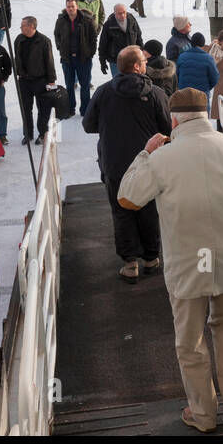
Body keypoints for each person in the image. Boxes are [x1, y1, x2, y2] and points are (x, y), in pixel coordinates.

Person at [117, 88, 223, 432]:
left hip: (189, 264)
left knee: (190, 340)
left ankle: (203, 414)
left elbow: (128, 198)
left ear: (174, 120)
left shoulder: (162, 158)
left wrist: (145, 154)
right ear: (206, 115)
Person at [84, 45, 172, 282]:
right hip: (149, 163)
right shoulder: (155, 94)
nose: (146, 64)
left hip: (114, 163)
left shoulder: (103, 92)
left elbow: (88, 125)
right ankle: (152, 259)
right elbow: (167, 128)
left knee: (121, 210)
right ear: (136, 66)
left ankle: (130, 263)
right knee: (148, 210)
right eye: (143, 61)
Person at [13, 16, 57, 145]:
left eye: (23, 26)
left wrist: (51, 80)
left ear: (31, 27)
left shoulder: (44, 41)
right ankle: (28, 134)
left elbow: (49, 61)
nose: (21, 28)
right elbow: (17, 57)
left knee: (42, 109)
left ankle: (42, 134)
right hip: (24, 81)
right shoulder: (19, 39)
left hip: (40, 80)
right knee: (25, 108)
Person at [54, 0, 97, 117]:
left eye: (73, 6)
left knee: (85, 85)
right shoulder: (61, 20)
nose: (71, 9)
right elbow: (56, 35)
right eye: (68, 7)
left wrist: (90, 53)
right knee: (69, 85)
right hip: (67, 59)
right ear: (66, 8)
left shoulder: (87, 20)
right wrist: (60, 48)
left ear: (76, 6)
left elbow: (93, 38)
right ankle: (70, 108)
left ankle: (85, 110)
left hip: (83, 59)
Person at [98, 3, 143, 76]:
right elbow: (103, 44)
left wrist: (142, 55)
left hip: (132, 59)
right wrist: (102, 62)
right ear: (114, 13)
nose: (122, 15)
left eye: (124, 13)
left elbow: (139, 38)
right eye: (119, 13)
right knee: (119, 84)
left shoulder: (132, 20)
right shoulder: (109, 25)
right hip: (116, 62)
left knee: (133, 83)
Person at [176, 32, 219, 107]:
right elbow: (214, 77)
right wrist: (207, 88)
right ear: (203, 44)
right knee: (201, 116)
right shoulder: (208, 58)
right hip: (202, 93)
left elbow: (177, 74)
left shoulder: (182, 57)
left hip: (184, 93)